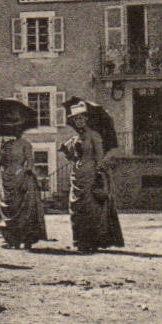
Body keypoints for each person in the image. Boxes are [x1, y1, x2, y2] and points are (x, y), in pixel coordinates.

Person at [61, 97, 125, 253]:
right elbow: (74, 157)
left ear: (86, 119)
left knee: (91, 208)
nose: (79, 121)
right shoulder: (76, 138)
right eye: (76, 119)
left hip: (91, 174)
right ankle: (80, 240)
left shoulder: (95, 136)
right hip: (77, 174)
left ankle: (92, 241)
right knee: (77, 208)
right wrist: (68, 152)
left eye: (81, 118)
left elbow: (100, 157)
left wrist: (98, 174)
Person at [0, 128, 48, 250]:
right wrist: (2, 152)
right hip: (6, 178)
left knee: (25, 209)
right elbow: (1, 163)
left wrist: (25, 174)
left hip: (22, 178)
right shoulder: (5, 144)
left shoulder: (25, 144)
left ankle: (27, 240)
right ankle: (12, 240)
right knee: (8, 208)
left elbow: (30, 162)